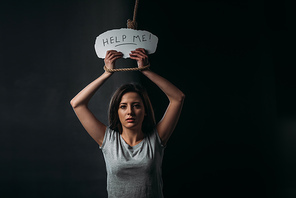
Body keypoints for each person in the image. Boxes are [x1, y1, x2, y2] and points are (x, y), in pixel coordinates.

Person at [70, 48, 185, 198]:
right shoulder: (108, 141)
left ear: (145, 111)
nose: (130, 111)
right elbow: (77, 103)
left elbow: (178, 98)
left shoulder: (156, 139)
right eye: (123, 107)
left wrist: (145, 70)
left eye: (136, 105)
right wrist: (107, 73)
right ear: (116, 112)